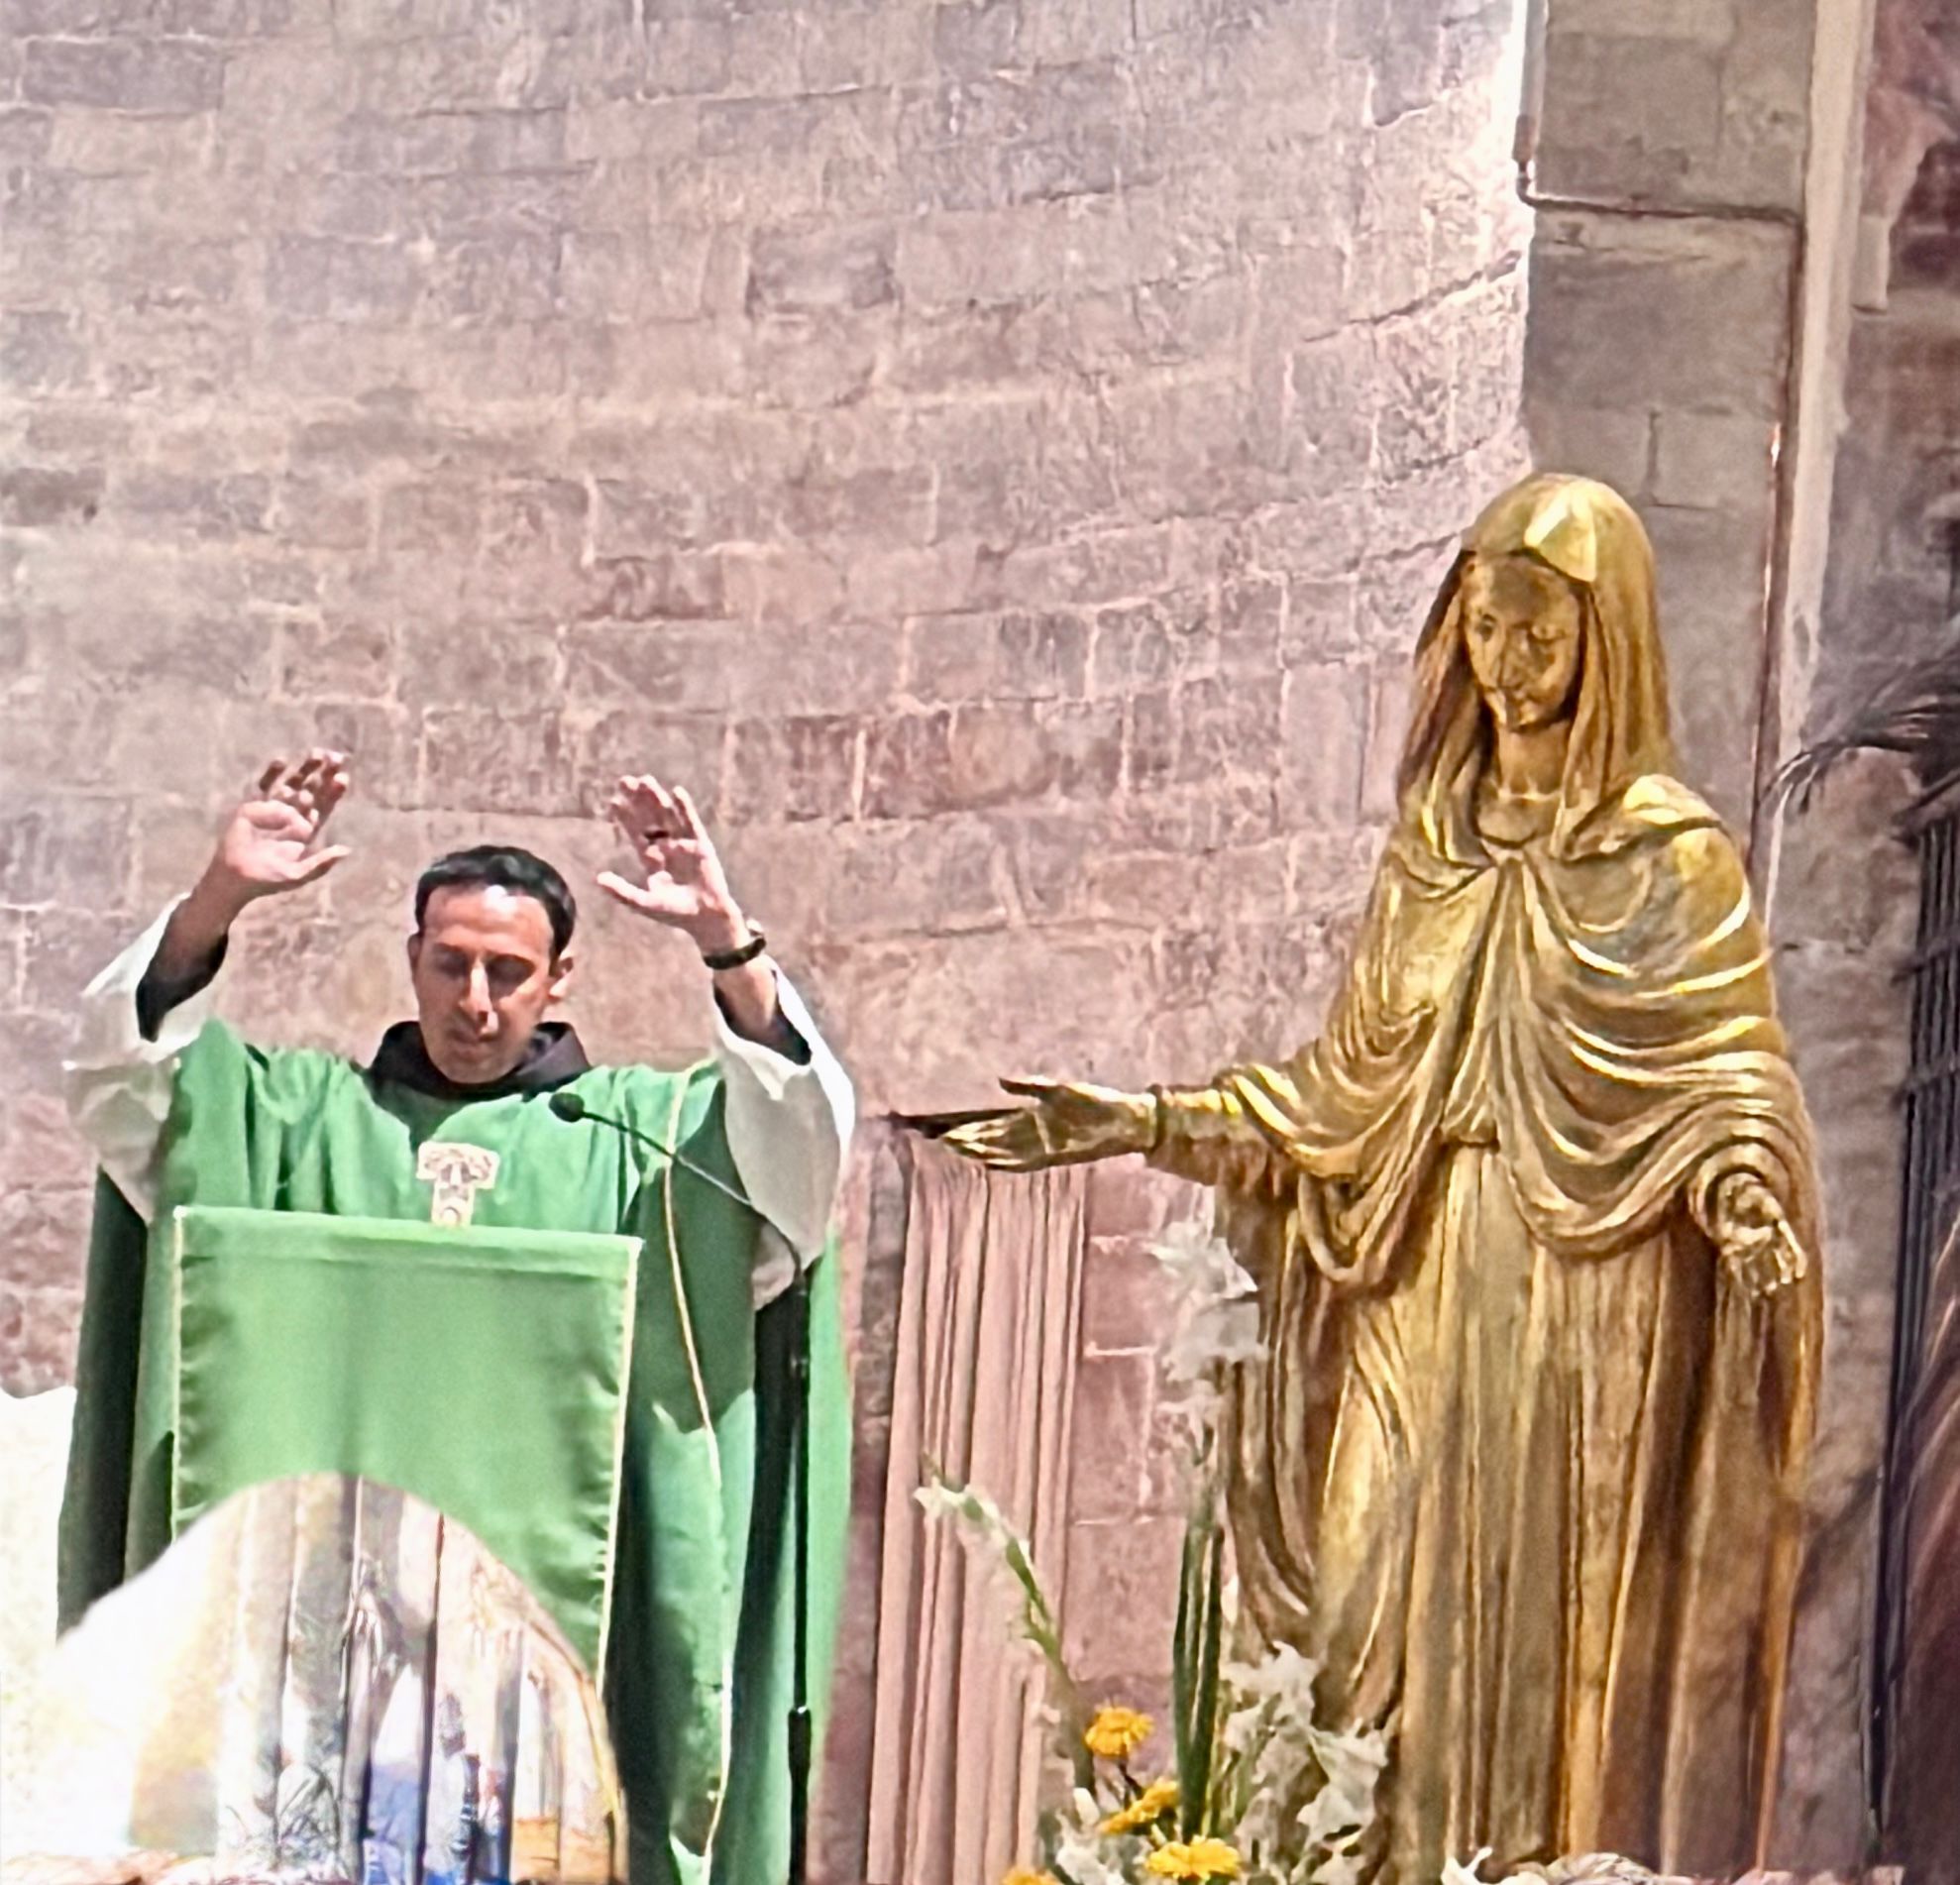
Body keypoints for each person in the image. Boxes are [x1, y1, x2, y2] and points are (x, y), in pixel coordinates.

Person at [948, 475, 1824, 1881]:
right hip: (1409, 1276)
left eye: (1540, 634)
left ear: (1608, 646)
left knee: (1548, 1634)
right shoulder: (1428, 853)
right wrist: (1136, 1118)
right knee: (1358, 1605)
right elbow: (1334, 1103)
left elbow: (1726, 1075)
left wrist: (1733, 1186)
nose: (1507, 664)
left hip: (1582, 1302)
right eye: (1484, 628)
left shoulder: (1670, 858)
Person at [58, 751, 855, 1885]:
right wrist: (216, 903)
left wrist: (728, 946)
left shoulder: (641, 1144)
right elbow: (128, 1079)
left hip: (559, 1679)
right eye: (452, 965)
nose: (475, 1002)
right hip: (323, 1679)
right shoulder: (298, 1129)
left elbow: (797, 1160)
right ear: (414, 962)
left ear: (558, 980)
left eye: (508, 972)